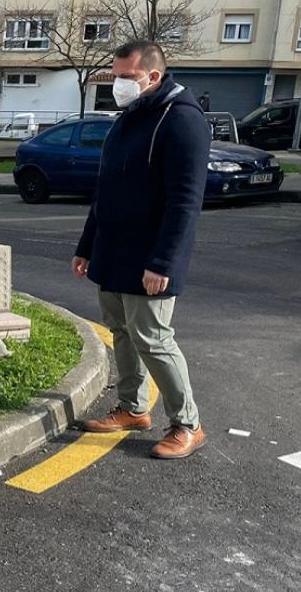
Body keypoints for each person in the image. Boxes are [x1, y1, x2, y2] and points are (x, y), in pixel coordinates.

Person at [73, 41, 210, 459]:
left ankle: (187, 424)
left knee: (153, 338)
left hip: (150, 256)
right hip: (112, 251)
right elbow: (106, 188)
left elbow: (184, 201)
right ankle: (133, 408)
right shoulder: (129, 118)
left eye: (127, 77)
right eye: (115, 75)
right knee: (121, 332)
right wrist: (87, 245)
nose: (118, 84)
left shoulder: (181, 120)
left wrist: (163, 261)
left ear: (153, 76)